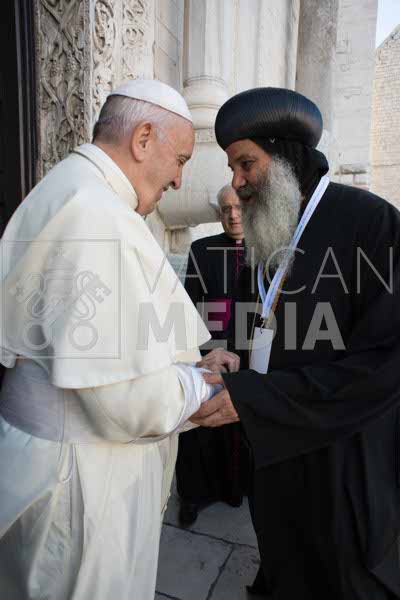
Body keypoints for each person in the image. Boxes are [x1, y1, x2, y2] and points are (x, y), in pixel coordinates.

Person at [0, 79, 223, 600]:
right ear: (143, 139)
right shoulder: (99, 213)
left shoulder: (68, 187)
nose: (179, 179)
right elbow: (128, 398)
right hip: (82, 484)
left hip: (48, 464)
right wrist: (202, 387)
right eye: (180, 160)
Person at [192, 87, 400, 599]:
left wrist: (255, 399)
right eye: (232, 168)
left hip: (340, 453)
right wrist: (234, 353)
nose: (236, 182)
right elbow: (262, 314)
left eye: (246, 164)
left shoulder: (372, 223)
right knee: (284, 555)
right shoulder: (272, 226)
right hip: (274, 444)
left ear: (285, 155)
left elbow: (386, 362)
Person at [176, 185, 250, 526]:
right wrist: (207, 352)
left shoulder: (269, 248)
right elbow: (190, 307)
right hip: (210, 352)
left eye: (239, 207)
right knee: (200, 426)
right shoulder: (202, 249)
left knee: (239, 428)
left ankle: (236, 489)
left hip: (249, 355)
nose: (233, 215)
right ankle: (193, 496)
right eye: (225, 209)